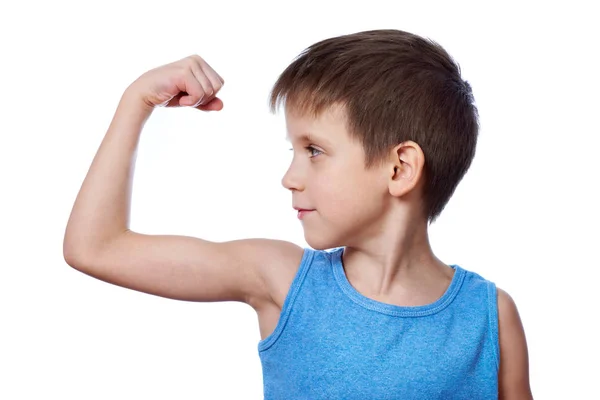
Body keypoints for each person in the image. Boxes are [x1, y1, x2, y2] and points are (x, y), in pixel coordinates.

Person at [63, 29, 532, 399]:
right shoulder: (280, 280)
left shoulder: (489, 317)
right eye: (295, 149)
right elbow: (95, 248)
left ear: (399, 167)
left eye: (314, 150)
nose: (290, 177)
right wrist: (136, 102)